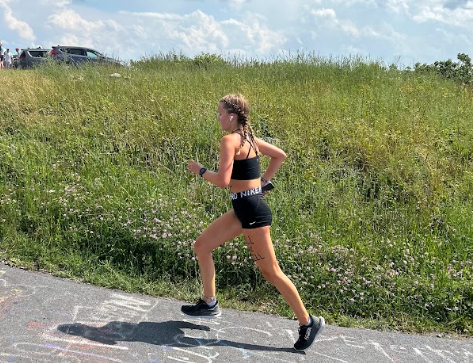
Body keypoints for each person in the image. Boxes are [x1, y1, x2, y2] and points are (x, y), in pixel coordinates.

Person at [182, 93, 325, 351]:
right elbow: (279, 155)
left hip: (253, 214)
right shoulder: (249, 139)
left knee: (271, 272)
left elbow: (223, 181)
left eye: (221, 113)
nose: (218, 118)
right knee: (202, 246)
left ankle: (308, 322)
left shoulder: (230, 140)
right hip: (243, 209)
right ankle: (209, 302)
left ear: (232, 116)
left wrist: (200, 170)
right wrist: (264, 182)